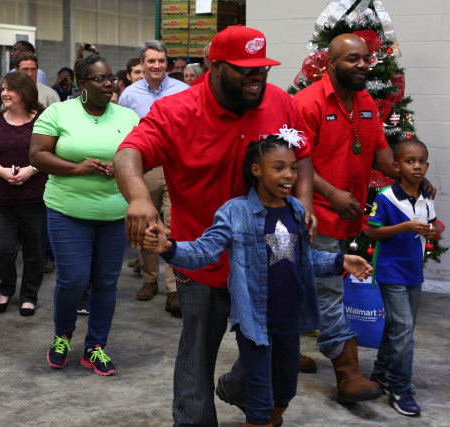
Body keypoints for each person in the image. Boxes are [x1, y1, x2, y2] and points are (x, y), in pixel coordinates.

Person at [114, 25, 314, 425]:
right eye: (246, 71)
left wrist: (303, 205)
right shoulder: (176, 111)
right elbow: (129, 153)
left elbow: (302, 155)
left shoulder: (279, 102)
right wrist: (138, 198)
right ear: (214, 66)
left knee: (277, 345)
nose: (257, 78)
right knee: (198, 353)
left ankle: (239, 388)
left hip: (270, 254)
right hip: (203, 257)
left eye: (263, 69)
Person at [145, 134, 373, 427]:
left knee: (285, 392)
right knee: (260, 400)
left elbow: (300, 260)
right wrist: (170, 248)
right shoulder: (236, 212)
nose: (289, 175)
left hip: (290, 318)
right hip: (256, 323)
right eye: (278, 168)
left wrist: (340, 261)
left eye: (292, 168)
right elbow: (205, 251)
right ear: (256, 170)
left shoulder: (295, 210)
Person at [290, 33, 399, 402]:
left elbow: (380, 152)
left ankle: (281, 349)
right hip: (314, 215)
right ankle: (347, 372)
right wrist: (332, 194)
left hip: (349, 216)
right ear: (331, 63)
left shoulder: (366, 101)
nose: (363, 65)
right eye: (352, 59)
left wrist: (409, 173)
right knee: (330, 291)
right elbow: (296, 161)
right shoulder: (307, 103)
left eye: (365, 58)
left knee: (300, 285)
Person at [31, 55, 139, 376]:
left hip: (114, 213)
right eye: (101, 79)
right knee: (73, 279)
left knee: (107, 281)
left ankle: (95, 347)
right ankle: (62, 335)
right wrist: (76, 168)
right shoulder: (58, 112)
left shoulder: (128, 116)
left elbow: (139, 154)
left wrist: (119, 165)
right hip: (68, 211)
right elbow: (37, 155)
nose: (110, 84)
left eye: (111, 79)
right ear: (82, 85)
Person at [118, 40, 189, 314]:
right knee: (147, 225)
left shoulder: (183, 91)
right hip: (144, 170)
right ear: (142, 64)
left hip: (175, 167)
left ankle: (174, 288)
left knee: (173, 226)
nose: (156, 65)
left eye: (161, 61)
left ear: (166, 63)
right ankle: (149, 280)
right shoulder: (129, 95)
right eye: (151, 61)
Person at [368, 138, 437, 417]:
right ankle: (400, 386)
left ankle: (381, 373)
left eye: (422, 161)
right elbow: (373, 232)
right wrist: (405, 226)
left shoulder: (426, 197)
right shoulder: (386, 197)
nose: (417, 166)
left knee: (399, 328)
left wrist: (430, 233)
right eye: (410, 161)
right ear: (397, 166)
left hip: (414, 272)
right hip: (390, 271)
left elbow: (430, 227)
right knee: (404, 331)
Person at [0, 72, 47, 316]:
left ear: (25, 92)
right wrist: (2, 172)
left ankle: (29, 295)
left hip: (35, 197)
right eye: (3, 89)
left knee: (34, 250)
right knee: (3, 249)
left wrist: (31, 170)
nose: (4, 94)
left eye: (10, 89)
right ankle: (7, 288)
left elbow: (51, 150)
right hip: (3, 197)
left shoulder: (41, 120)